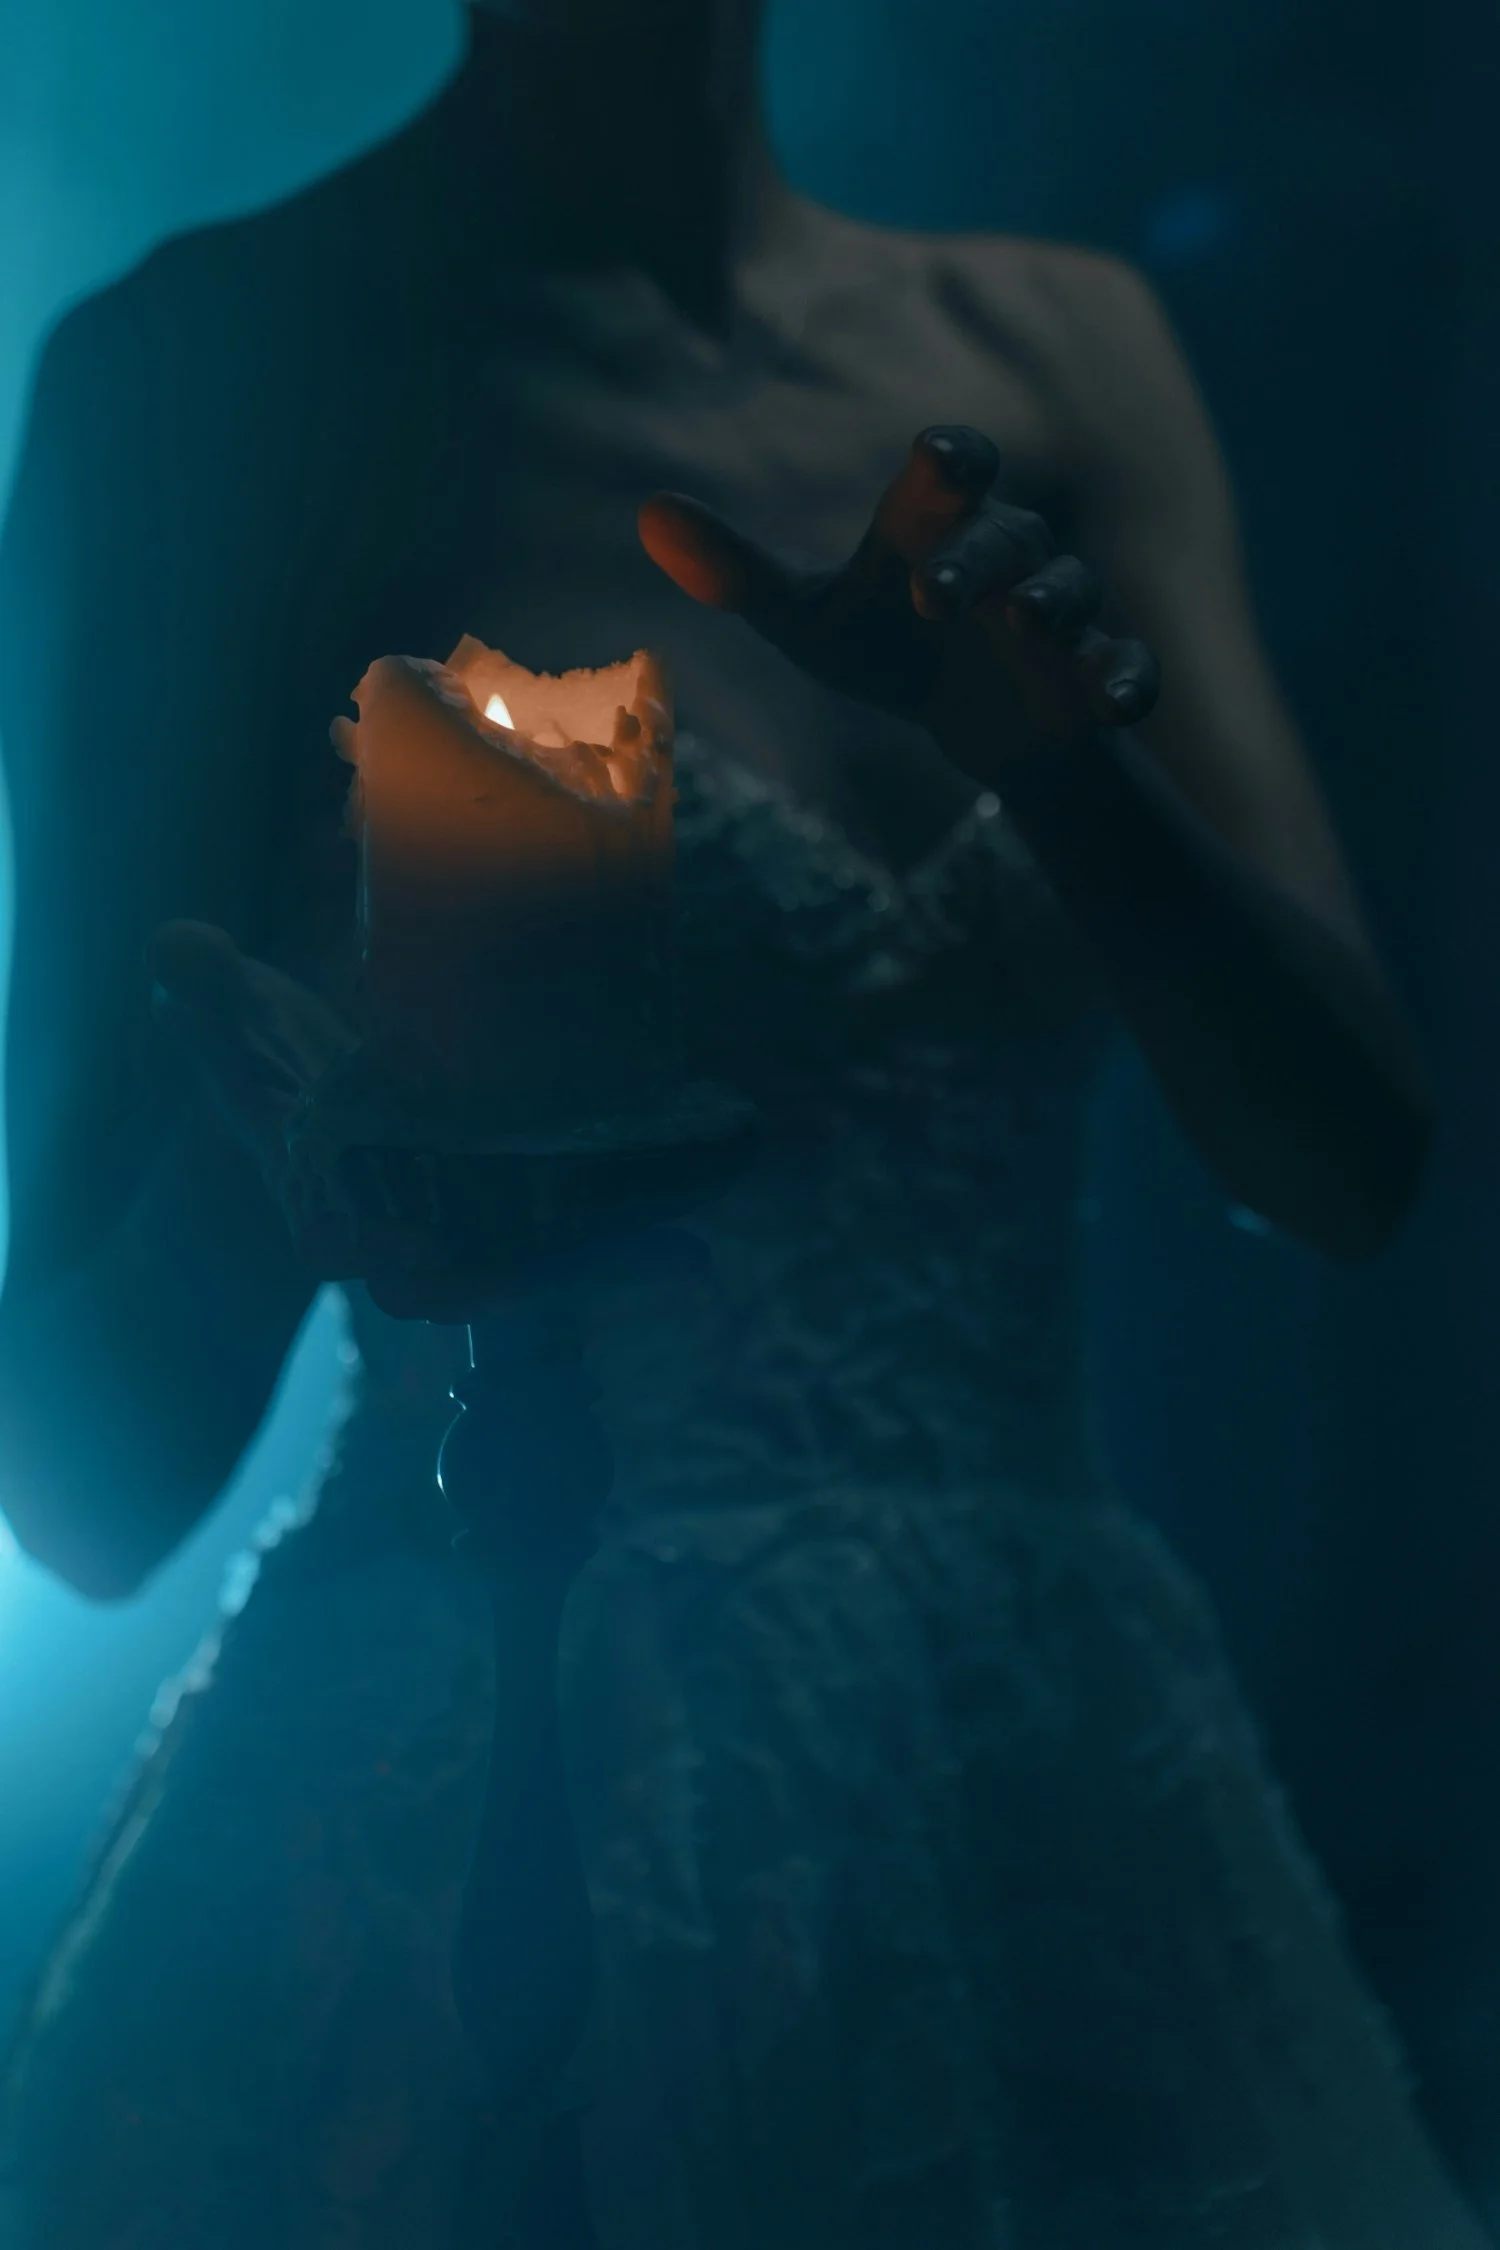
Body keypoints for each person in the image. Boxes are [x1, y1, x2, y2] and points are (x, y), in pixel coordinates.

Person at [0, 3, 1482, 2245]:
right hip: (479, 1832)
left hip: (1046, 1792)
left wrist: (1066, 777)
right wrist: (340, 1118)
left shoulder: (1061, 355)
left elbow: (1351, 1169)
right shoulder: (214, 378)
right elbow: (83, 1481)